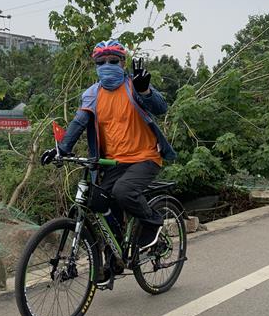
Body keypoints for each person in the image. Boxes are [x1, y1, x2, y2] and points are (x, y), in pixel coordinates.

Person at [41, 39, 177, 253]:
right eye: (101, 62)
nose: (107, 66)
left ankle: (152, 222)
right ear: (95, 66)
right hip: (112, 162)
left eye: (113, 61)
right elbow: (78, 123)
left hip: (145, 158)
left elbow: (161, 107)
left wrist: (145, 92)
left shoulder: (134, 86)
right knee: (96, 201)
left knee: (123, 192)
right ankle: (114, 254)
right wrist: (60, 150)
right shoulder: (92, 94)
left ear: (123, 63)